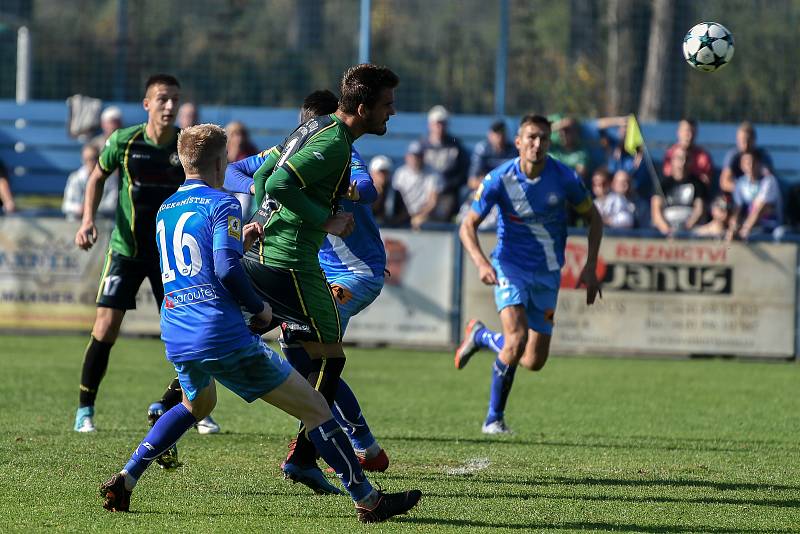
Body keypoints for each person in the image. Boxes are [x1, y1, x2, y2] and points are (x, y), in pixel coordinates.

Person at [98, 124, 420, 523]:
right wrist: (260, 308)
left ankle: (127, 478)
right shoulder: (223, 204)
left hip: (177, 329)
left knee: (196, 404)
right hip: (220, 331)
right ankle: (369, 500)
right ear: (221, 162)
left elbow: (195, 267)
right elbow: (226, 269)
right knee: (317, 408)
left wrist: (241, 244)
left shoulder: (167, 208)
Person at [241, 64, 399, 494]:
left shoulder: (314, 131)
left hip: (274, 258)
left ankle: (164, 419)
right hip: (293, 263)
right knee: (325, 358)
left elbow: (258, 176)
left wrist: (258, 220)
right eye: (387, 105)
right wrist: (324, 218)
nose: (394, 112)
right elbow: (276, 181)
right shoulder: (334, 143)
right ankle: (322, 457)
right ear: (363, 108)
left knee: (278, 346)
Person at [73, 75, 218, 451]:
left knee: (192, 333)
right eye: (162, 99)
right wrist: (88, 220)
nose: (169, 106)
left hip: (169, 254)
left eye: (174, 100)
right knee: (105, 328)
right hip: (126, 250)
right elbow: (96, 178)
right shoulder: (124, 141)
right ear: (147, 104)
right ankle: (84, 410)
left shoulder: (187, 144)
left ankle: (194, 408)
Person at [454, 114, 603, 434]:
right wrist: (481, 262)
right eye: (531, 138)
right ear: (518, 141)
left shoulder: (564, 178)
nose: (537, 144)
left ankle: (481, 336)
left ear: (550, 143)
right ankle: (493, 418)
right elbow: (467, 225)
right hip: (510, 266)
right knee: (517, 338)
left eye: (543, 139)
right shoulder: (498, 179)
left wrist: (590, 267)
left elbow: (595, 218)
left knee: (533, 360)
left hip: (548, 273)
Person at [418, 105, 469, 221]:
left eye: (442, 123)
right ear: (430, 125)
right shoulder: (422, 146)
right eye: (437, 123)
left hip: (448, 192)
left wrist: (447, 185)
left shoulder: (456, 145)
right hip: (425, 191)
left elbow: (463, 172)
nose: (439, 127)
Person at [651, 147, 708, 235]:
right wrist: (667, 231)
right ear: (672, 161)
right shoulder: (663, 184)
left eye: (687, 159)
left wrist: (684, 230)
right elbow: (656, 212)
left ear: (691, 162)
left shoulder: (698, 184)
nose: (683, 162)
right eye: (679, 158)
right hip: (666, 232)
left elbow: (699, 210)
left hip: (690, 231)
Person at [728, 150, 783, 240]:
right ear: (741, 165)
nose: (750, 166)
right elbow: (738, 209)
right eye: (747, 163)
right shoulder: (740, 183)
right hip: (749, 228)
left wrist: (745, 230)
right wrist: (733, 227)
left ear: (759, 164)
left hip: (769, 227)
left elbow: (760, 209)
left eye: (754, 162)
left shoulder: (769, 181)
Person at [392, 141, 444, 229]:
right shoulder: (400, 174)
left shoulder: (433, 174)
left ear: (423, 157)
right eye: (412, 156)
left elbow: (433, 202)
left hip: (424, 215)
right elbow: (395, 198)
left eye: (418, 156)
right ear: (407, 157)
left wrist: (418, 216)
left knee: (421, 222)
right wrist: (403, 216)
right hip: (403, 213)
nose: (415, 159)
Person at [62, 144, 117, 221]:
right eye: (87, 159)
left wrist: (89, 209)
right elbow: (66, 205)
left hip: (102, 223)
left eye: (94, 158)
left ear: (99, 158)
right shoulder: (75, 178)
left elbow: (112, 205)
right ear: (82, 160)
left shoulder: (111, 178)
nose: (91, 162)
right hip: (77, 223)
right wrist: (80, 209)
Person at [720, 121, 775, 194]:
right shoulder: (733, 156)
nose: (746, 146)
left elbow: (769, 179)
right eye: (742, 141)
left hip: (760, 195)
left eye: (748, 141)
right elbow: (724, 183)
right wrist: (744, 189)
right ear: (737, 140)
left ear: (754, 140)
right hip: (738, 196)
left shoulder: (763, 155)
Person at [662, 118, 713, 187]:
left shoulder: (703, 156)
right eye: (687, 131)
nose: (690, 136)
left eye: (693, 132)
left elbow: (705, 181)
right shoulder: (670, 154)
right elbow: (668, 176)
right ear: (679, 132)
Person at [468, 119, 517, 191]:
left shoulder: (514, 151)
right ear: (489, 135)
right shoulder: (482, 150)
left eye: (502, 133)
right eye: (497, 133)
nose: (500, 137)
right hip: (486, 190)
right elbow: (472, 182)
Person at [224, 120, 259, 218]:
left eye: (241, 134)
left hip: (244, 187)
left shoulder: (251, 151)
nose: (239, 138)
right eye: (235, 134)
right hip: (224, 185)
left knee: (243, 209)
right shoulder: (222, 151)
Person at [369, 155, 410, 227]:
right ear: (372, 173)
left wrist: (393, 222)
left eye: (386, 172)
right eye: (380, 172)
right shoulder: (364, 193)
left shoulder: (395, 194)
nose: (383, 175)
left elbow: (404, 214)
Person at [549, 116, 590, 181]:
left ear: (575, 133)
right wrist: (561, 124)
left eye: (567, 130)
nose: (563, 134)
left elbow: (579, 176)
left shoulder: (581, 153)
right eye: (560, 130)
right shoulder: (552, 148)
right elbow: (540, 133)